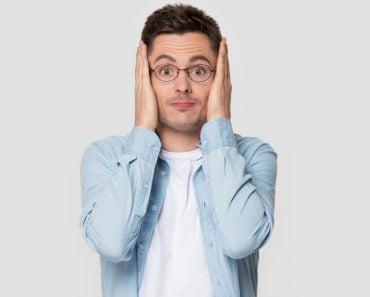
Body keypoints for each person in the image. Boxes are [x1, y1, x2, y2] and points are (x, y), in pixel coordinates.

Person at [79, 4, 278, 297]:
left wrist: (219, 123)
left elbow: (240, 240)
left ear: (220, 78)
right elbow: (112, 243)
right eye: (166, 71)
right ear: (144, 78)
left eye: (199, 70)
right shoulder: (106, 157)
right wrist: (143, 131)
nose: (182, 86)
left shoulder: (252, 155)